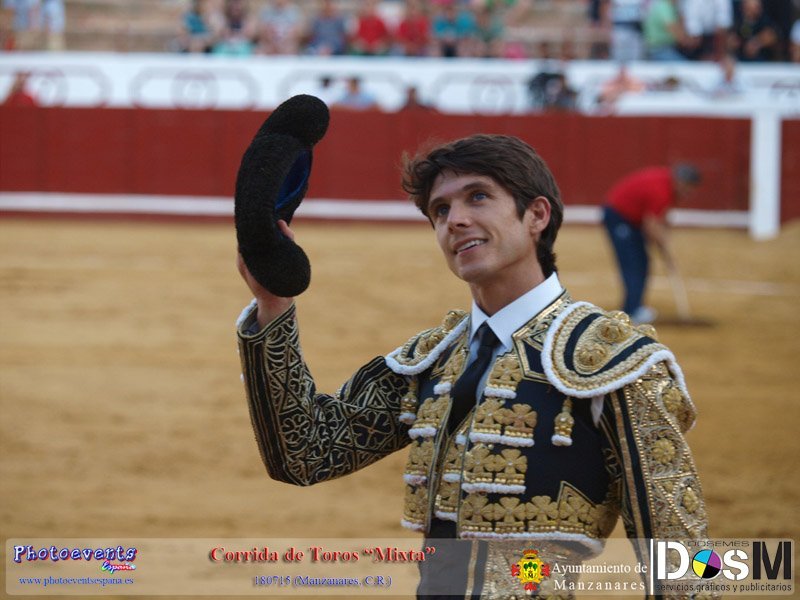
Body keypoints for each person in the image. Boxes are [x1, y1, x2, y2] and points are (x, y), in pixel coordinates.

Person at [236, 134, 710, 597]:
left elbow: (682, 559)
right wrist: (273, 306)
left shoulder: (617, 362)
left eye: (478, 197)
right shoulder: (434, 358)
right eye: (440, 210)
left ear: (537, 215)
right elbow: (308, 453)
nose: (455, 220)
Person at [602, 163, 701, 324]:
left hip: (633, 220)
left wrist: (664, 244)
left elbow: (660, 218)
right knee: (633, 263)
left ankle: (634, 307)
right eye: (688, 188)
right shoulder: (661, 190)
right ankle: (632, 310)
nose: (688, 193)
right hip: (619, 216)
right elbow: (651, 226)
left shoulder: (669, 187)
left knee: (641, 261)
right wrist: (665, 250)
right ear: (681, 182)